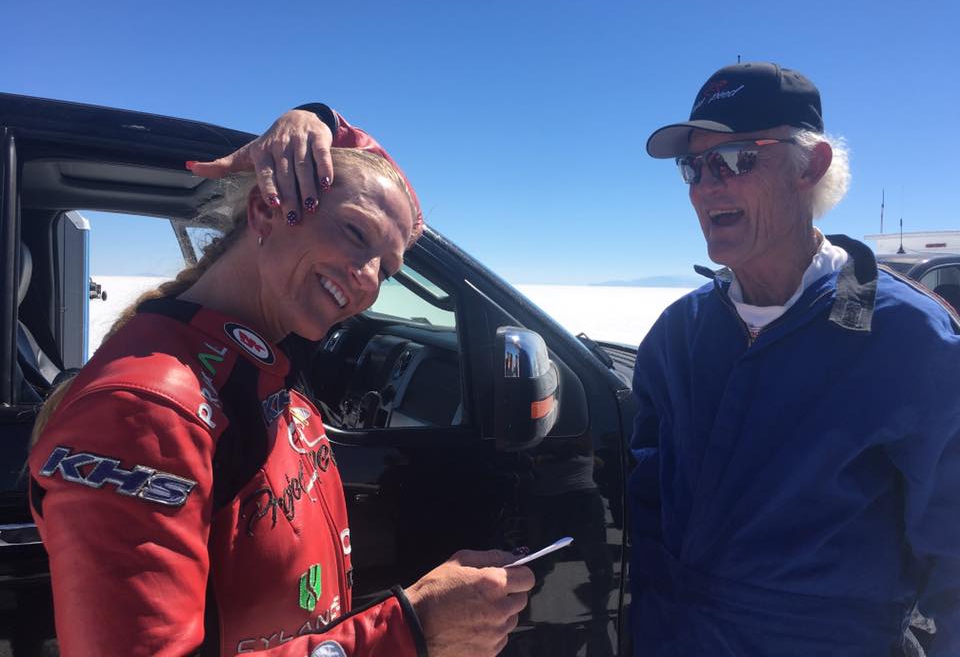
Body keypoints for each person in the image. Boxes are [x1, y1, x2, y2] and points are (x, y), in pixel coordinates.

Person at [29, 110, 534, 657]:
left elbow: (386, 187)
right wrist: (411, 631)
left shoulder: (261, 353)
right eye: (356, 232)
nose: (368, 279)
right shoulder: (146, 410)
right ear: (266, 210)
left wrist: (319, 119)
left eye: (387, 269)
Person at [628, 62, 960, 655]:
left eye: (735, 159)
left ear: (811, 166)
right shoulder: (679, 334)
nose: (706, 186)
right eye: (693, 167)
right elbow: (648, 497)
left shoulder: (907, 339)